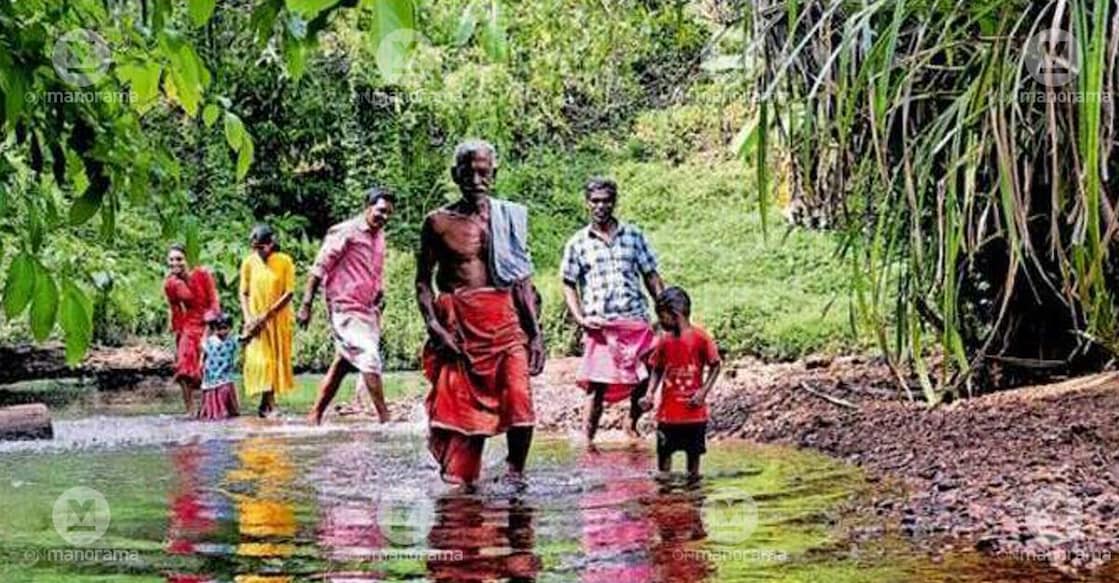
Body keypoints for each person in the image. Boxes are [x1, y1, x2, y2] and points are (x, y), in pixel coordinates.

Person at [416, 139, 545, 487]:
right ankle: (464, 489)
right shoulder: (438, 222)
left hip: (505, 323)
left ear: (494, 173)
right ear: (455, 174)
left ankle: (516, 476)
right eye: (468, 172)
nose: (476, 179)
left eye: (483, 172)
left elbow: (521, 280)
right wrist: (435, 329)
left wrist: (535, 334)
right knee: (463, 418)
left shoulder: (509, 217)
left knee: (521, 403)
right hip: (460, 330)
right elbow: (423, 283)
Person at [560, 178, 664, 445]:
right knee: (597, 385)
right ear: (587, 203)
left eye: (606, 200)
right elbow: (568, 283)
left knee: (642, 376)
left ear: (614, 201)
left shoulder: (633, 236)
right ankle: (588, 438)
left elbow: (651, 275)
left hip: (635, 321)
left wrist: (664, 311)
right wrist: (580, 317)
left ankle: (631, 425)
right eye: (595, 201)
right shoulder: (578, 243)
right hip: (601, 326)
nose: (601, 206)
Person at [298, 187, 396, 425]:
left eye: (388, 214)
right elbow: (319, 267)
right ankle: (385, 418)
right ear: (368, 207)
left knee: (343, 362)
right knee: (369, 355)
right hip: (344, 307)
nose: (384, 217)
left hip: (367, 310)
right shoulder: (346, 231)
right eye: (381, 211)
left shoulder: (380, 236)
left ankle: (314, 416)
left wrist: (378, 292)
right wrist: (306, 303)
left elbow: (373, 270)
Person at [640, 287, 721, 478]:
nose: (660, 321)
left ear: (675, 315)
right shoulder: (664, 341)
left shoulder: (701, 338)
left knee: (693, 469)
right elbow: (658, 368)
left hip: (694, 415)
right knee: (663, 468)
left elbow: (716, 365)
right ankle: (666, 502)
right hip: (667, 416)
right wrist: (650, 393)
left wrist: (703, 392)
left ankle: (693, 502)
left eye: (662, 316)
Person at [239, 224, 296, 417]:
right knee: (261, 362)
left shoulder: (284, 261)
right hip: (255, 322)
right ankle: (269, 405)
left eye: (262, 247)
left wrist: (267, 315)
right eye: (255, 248)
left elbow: (289, 293)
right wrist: (248, 319)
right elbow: (244, 292)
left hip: (277, 320)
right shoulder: (249, 262)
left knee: (274, 362)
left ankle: (267, 405)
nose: (258, 251)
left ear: (271, 244)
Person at [164, 244, 220, 416]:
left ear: (187, 260)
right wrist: (178, 335)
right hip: (188, 325)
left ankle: (207, 407)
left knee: (207, 367)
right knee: (183, 365)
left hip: (208, 323)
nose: (175, 263)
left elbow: (214, 301)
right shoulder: (170, 284)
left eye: (179, 259)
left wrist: (209, 331)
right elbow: (176, 311)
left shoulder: (202, 274)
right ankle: (190, 409)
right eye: (171, 259)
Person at [196, 310, 244, 421]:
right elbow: (203, 349)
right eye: (219, 329)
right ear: (214, 329)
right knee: (212, 394)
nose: (222, 332)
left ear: (230, 328)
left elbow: (244, 338)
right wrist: (201, 363)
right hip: (212, 373)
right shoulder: (210, 341)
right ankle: (214, 413)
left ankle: (226, 412)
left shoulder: (232, 340)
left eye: (225, 328)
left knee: (225, 391)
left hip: (226, 373)